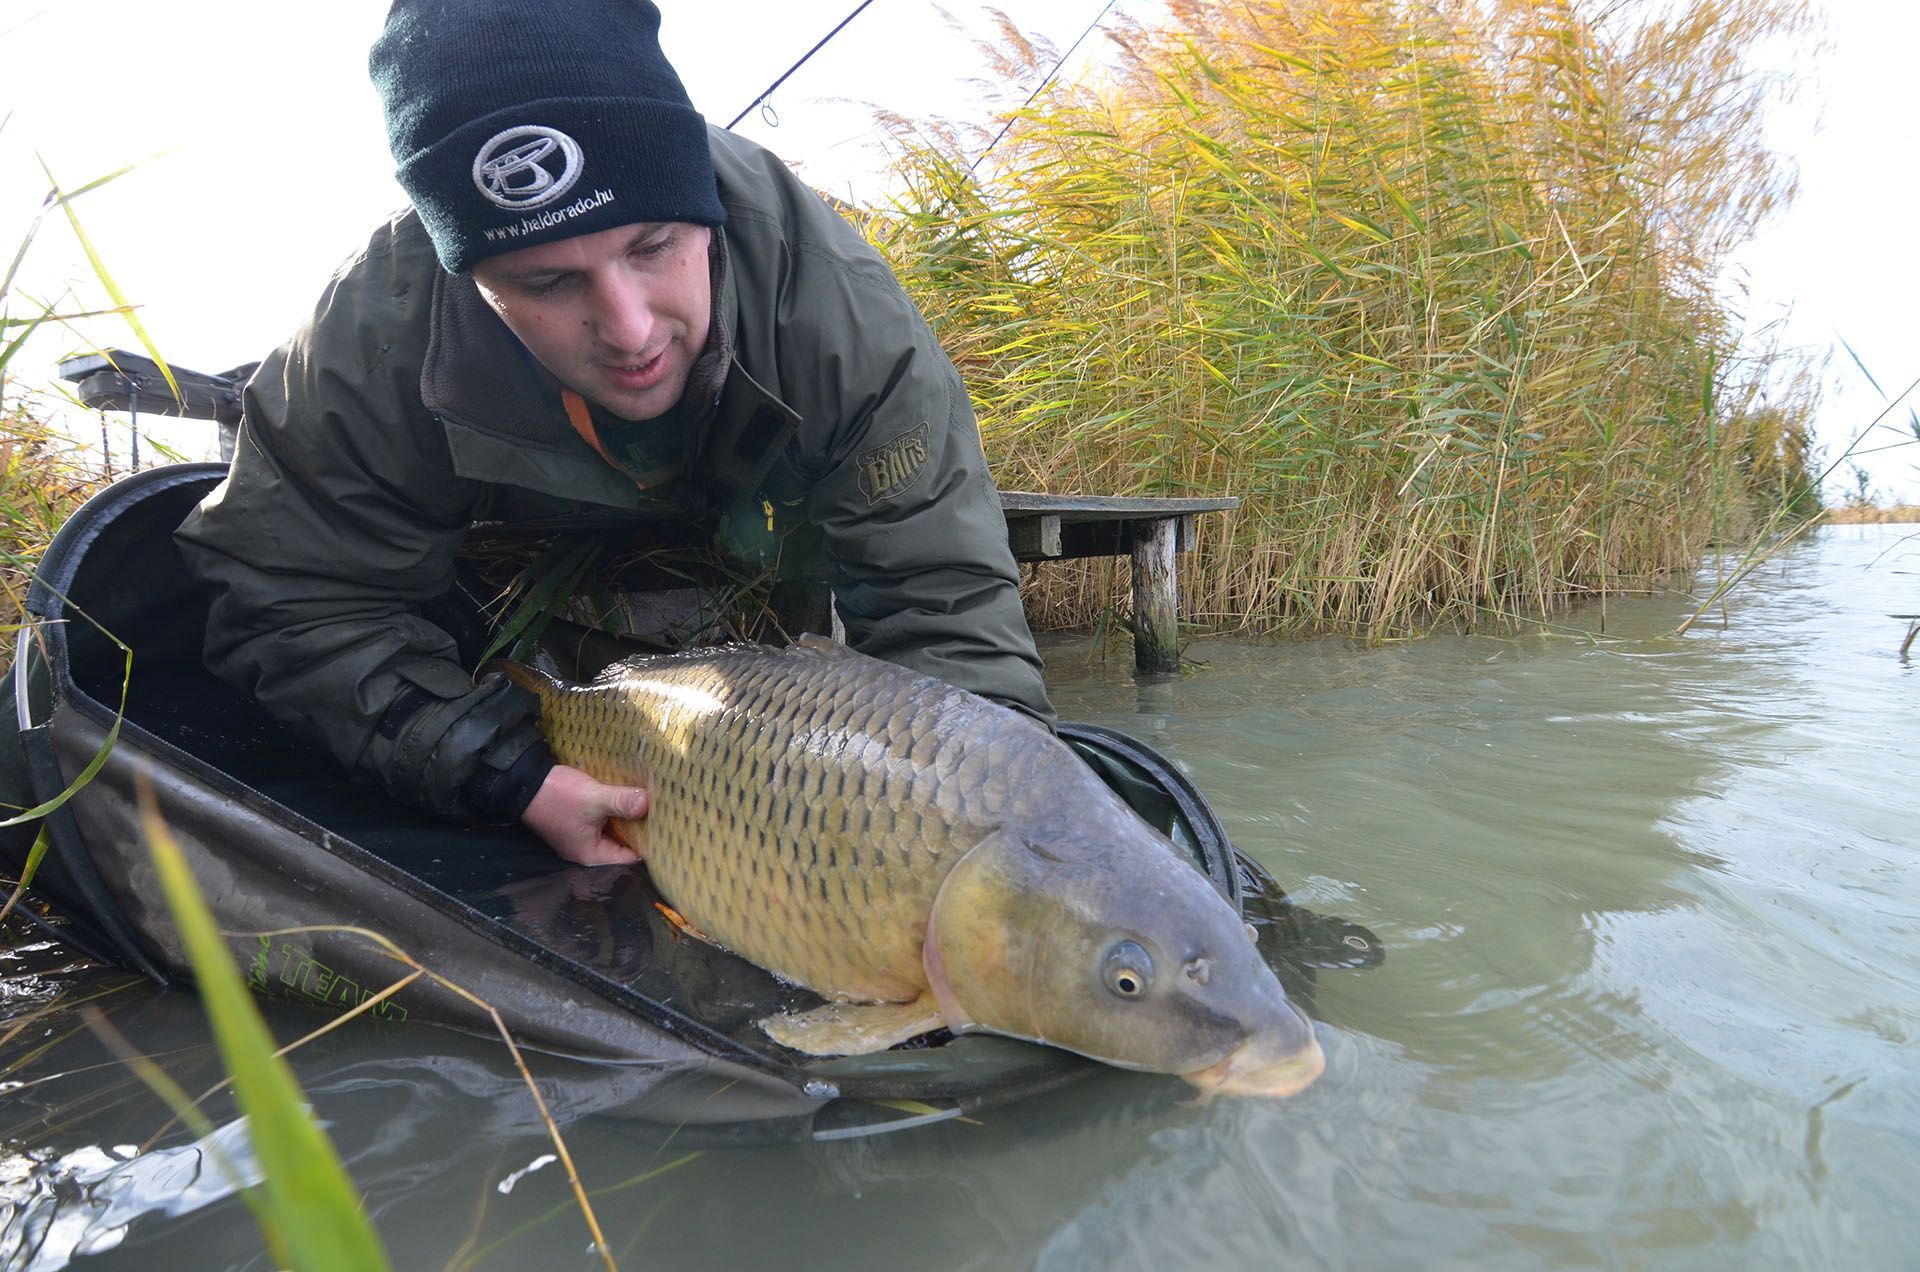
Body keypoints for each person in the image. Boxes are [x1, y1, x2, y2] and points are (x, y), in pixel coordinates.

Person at [175, 0, 1054, 869]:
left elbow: (942, 602)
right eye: (548, 281)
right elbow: (287, 597)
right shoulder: (366, 341)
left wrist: (995, 850)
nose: (629, 329)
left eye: (653, 245)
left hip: (759, 558)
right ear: (474, 279)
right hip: (496, 595)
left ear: (702, 210)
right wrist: (507, 776)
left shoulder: (833, 307)